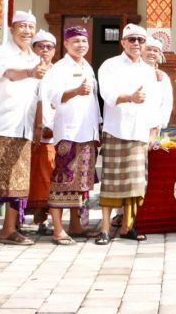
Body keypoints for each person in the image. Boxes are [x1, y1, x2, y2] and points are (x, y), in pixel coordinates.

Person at [0, 11, 46, 247]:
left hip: (24, 128)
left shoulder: (34, 58)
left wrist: (38, 125)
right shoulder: (2, 53)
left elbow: (38, 95)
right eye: (22, 26)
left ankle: (9, 229)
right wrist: (30, 72)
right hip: (0, 126)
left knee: (18, 183)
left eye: (31, 27)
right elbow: (9, 74)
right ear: (12, 28)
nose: (27, 31)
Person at [96, 23, 157, 244]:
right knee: (111, 181)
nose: (137, 44)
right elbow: (108, 94)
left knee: (135, 183)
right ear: (123, 42)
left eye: (141, 40)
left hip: (139, 131)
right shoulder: (110, 65)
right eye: (132, 39)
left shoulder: (149, 71)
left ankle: (126, 227)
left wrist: (153, 131)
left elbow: (153, 104)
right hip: (116, 129)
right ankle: (104, 228)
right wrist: (130, 97)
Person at [46, 26, 101, 245]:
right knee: (62, 181)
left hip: (87, 132)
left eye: (84, 41)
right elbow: (52, 97)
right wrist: (76, 91)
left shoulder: (87, 66)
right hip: (68, 132)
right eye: (76, 41)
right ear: (66, 44)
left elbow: (94, 101)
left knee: (81, 183)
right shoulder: (59, 68)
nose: (81, 45)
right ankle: (58, 229)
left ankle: (76, 225)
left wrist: (98, 128)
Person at [27, 30, 58, 235]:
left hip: (57, 130)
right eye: (41, 46)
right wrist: (37, 126)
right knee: (33, 176)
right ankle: (32, 217)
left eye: (49, 47)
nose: (45, 50)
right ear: (33, 48)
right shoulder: (28, 70)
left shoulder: (59, 70)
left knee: (50, 175)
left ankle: (45, 219)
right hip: (30, 130)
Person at [143, 35, 174, 133]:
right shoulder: (131, 71)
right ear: (141, 52)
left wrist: (158, 125)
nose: (152, 53)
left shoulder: (164, 77)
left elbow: (167, 103)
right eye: (148, 49)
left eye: (155, 51)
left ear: (160, 55)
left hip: (154, 127)